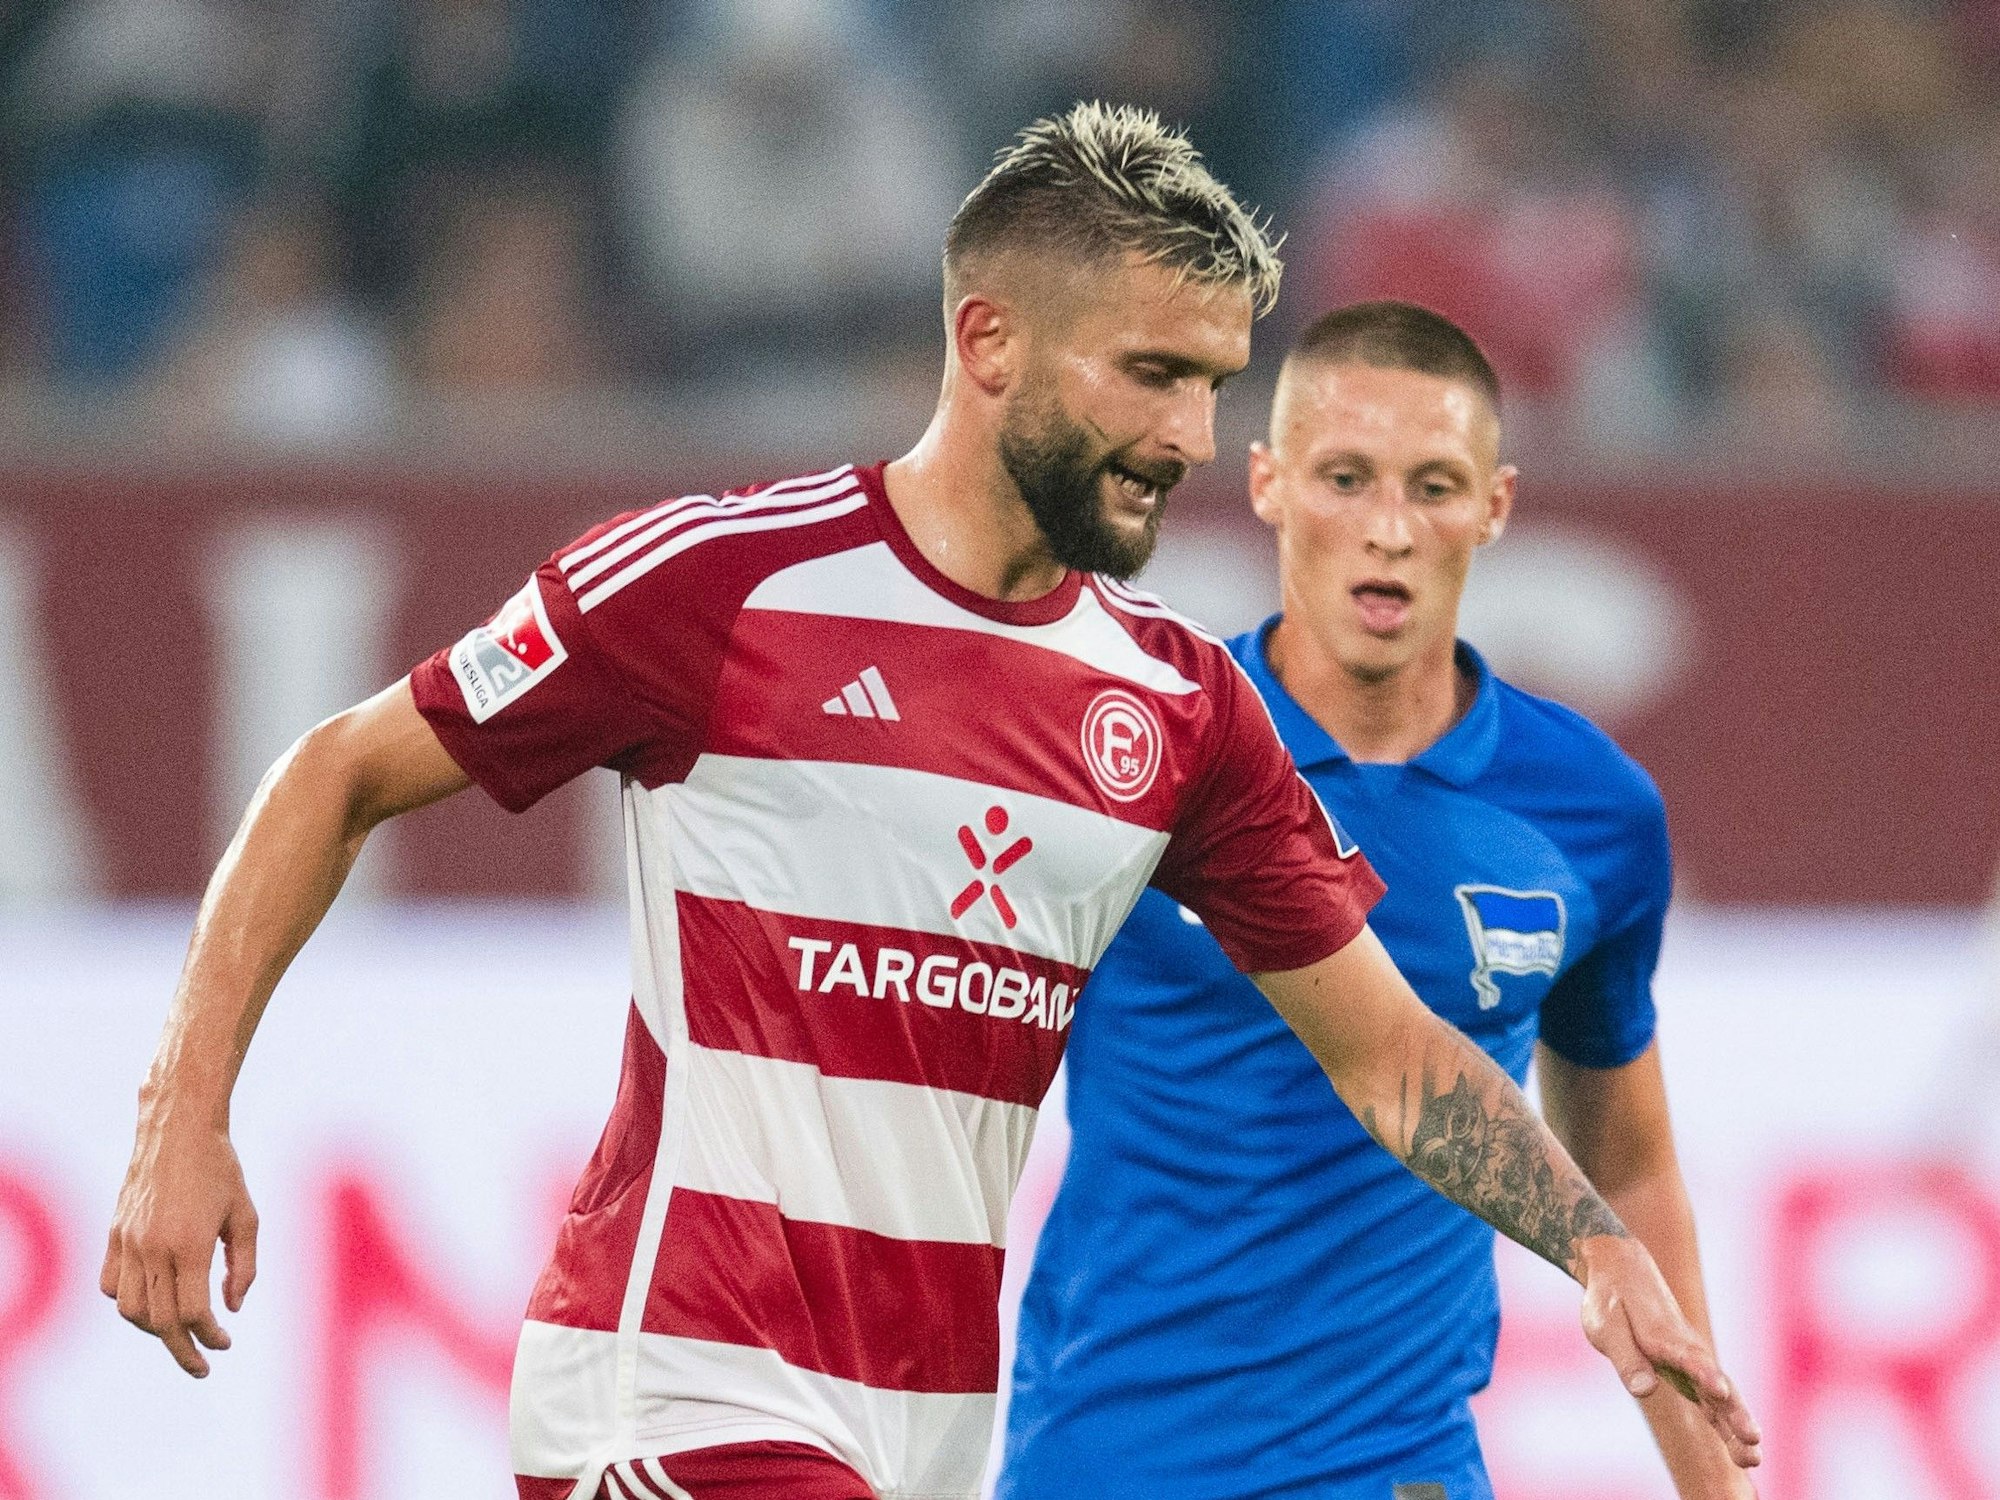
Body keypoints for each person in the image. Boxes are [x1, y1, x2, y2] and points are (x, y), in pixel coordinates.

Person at [101, 110, 1758, 1500]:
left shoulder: (1177, 708)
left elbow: (1395, 1057)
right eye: (1150, 376)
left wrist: (1598, 1250)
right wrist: (182, 1115)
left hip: (926, 1431)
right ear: (987, 344)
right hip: (677, 1387)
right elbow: (340, 770)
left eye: (1210, 383)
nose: (1189, 435)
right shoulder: (726, 590)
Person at [1002, 301, 1752, 1500]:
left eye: (1434, 485)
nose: (1388, 530)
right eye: (1345, 478)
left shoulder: (1588, 811)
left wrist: (1717, 1490)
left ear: (1494, 505)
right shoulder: (1132, 750)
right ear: (1266, 483)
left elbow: (1630, 1169)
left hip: (1397, 1470)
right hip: (1108, 1458)